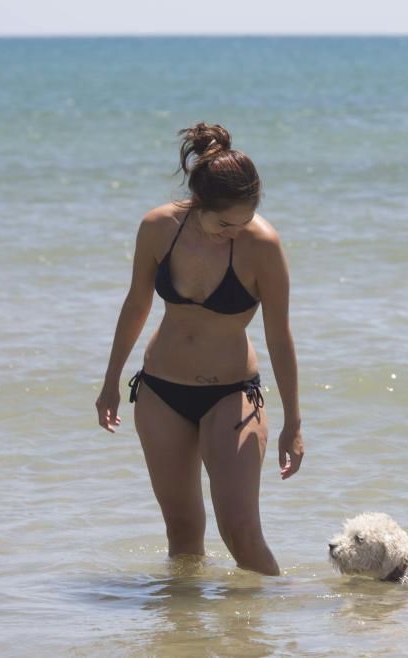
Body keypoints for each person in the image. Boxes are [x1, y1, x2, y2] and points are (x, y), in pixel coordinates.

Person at [95, 123, 304, 576]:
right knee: (183, 531)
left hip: (230, 393)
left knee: (241, 532)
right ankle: (182, 633)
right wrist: (110, 380)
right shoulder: (158, 228)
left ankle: (270, 626)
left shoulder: (262, 246)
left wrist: (293, 421)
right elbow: (136, 304)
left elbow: (279, 336)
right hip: (160, 392)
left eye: (244, 222)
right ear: (198, 206)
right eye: (224, 223)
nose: (234, 232)